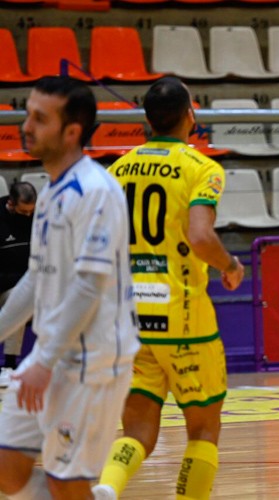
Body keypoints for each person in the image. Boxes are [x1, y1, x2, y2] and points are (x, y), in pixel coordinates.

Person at [93, 77, 245, 500]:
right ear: (190, 116)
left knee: (138, 428)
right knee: (202, 429)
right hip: (183, 317)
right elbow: (199, 235)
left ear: (146, 119)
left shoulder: (116, 170)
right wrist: (230, 265)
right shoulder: (202, 169)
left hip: (129, 319)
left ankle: (107, 486)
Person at [0, 76, 139, 499]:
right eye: (28, 115)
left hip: (92, 362)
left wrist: (42, 358)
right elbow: (36, 278)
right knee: (7, 470)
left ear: (72, 131)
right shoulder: (49, 193)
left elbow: (88, 285)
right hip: (56, 355)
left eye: (40, 119)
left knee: (67, 482)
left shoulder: (97, 190)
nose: (27, 126)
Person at [0, 182, 37, 388]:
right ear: (11, 203)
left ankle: (12, 366)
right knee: (19, 297)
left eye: (31, 212)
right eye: (24, 212)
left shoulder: (38, 218)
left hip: (25, 285)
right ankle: (9, 366)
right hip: (4, 285)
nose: (28, 217)